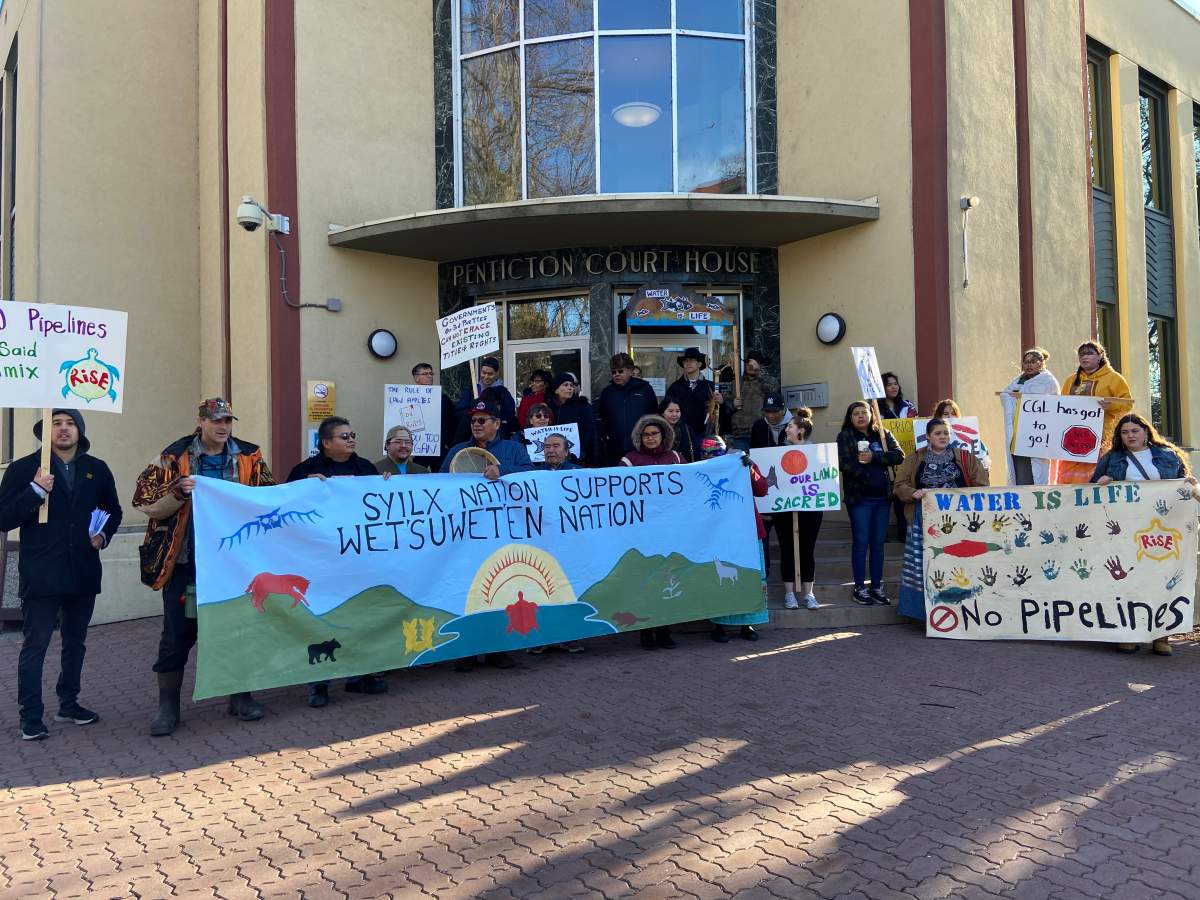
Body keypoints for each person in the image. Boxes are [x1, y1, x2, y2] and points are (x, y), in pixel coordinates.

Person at [133, 398, 274, 736]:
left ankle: (240, 696)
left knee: (238, 630)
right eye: (216, 421)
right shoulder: (171, 458)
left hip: (233, 564)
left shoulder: (250, 457)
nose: (223, 427)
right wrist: (177, 492)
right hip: (184, 561)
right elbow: (143, 501)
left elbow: (269, 496)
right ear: (201, 422)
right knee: (177, 635)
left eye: (227, 421)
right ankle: (168, 707)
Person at [0, 410, 122, 741]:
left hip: (82, 568)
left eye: (70, 424)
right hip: (42, 571)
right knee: (36, 643)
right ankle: (31, 716)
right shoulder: (25, 469)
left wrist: (103, 535)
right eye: (57, 423)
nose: (63, 429)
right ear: (46, 430)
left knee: (75, 642)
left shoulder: (96, 469)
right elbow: (3, 517)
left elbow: (112, 510)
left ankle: (68, 703)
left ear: (80, 431)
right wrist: (35, 492)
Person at [288, 417, 390, 706]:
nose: (351, 440)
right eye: (344, 436)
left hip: (360, 560)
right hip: (322, 562)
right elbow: (285, 507)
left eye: (352, 434)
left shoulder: (366, 468)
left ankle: (361, 676)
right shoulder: (305, 471)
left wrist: (386, 487)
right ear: (326, 442)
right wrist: (301, 488)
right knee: (323, 620)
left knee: (363, 618)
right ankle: (319, 684)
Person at [1091, 412, 1197, 656]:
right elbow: (1090, 489)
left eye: (1134, 431)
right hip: (1125, 529)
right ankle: (1130, 632)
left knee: (1162, 578)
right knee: (1128, 578)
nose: (1130, 436)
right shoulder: (1112, 458)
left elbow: (1182, 484)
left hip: (1164, 529)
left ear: (1146, 432)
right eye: (1125, 432)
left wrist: (1188, 484)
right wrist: (1102, 481)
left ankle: (1161, 635)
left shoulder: (1168, 456)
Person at [442, 399, 532, 672]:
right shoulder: (458, 451)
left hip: (503, 534)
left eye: (483, 420)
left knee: (501, 590)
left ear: (497, 423)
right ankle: (467, 650)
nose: (477, 424)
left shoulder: (514, 450)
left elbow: (531, 476)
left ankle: (498, 650)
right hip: (468, 537)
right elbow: (440, 483)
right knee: (468, 590)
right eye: (473, 420)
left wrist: (503, 471)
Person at [893, 418, 989, 621]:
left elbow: (982, 484)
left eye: (946, 433)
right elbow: (899, 485)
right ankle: (923, 614)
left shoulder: (964, 457)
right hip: (923, 521)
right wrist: (914, 493)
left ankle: (963, 612)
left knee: (958, 564)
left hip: (960, 523)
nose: (943, 437)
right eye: (938, 433)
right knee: (923, 566)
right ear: (928, 436)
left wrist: (963, 495)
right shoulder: (914, 458)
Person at [621, 414, 683, 649]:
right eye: (645, 434)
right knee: (645, 581)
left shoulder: (676, 458)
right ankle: (645, 631)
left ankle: (665, 630)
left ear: (664, 434)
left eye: (654, 433)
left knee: (668, 578)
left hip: (670, 531)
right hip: (643, 533)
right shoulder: (629, 461)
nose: (650, 438)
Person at [837, 401, 903, 605]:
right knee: (861, 543)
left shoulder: (882, 434)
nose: (860, 416)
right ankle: (859, 587)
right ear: (850, 417)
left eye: (864, 412)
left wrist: (874, 457)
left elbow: (899, 455)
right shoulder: (845, 436)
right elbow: (843, 463)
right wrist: (863, 471)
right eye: (855, 413)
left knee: (878, 545)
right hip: (859, 499)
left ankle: (876, 586)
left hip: (882, 498)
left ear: (871, 414)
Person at [707, 437, 771, 642]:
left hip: (747, 530)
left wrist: (749, 468)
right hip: (719, 532)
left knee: (749, 577)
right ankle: (719, 625)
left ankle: (747, 623)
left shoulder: (743, 464)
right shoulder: (704, 469)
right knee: (720, 582)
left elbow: (762, 489)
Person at [770, 410, 824, 611]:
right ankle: (789, 594)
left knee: (807, 549)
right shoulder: (777, 452)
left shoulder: (817, 453)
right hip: (784, 509)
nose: (786, 429)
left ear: (801, 430)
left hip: (810, 508)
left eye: (790, 426)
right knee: (787, 548)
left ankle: (809, 593)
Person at [1057, 340, 1133, 484]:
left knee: (1096, 478)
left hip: (1102, 438)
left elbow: (1127, 404)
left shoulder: (1114, 378)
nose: (1084, 357)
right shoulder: (1071, 380)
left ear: (1100, 356)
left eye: (1089, 354)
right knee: (1069, 479)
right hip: (1072, 438)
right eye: (1081, 354)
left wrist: (1110, 405)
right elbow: (1061, 406)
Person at [997, 347, 1060, 485]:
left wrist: (1023, 397)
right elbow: (1005, 395)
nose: (1029, 365)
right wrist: (1011, 398)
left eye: (1033, 361)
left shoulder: (1048, 381)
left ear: (1041, 363)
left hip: (1039, 434)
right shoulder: (1016, 381)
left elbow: (1053, 405)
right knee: (1021, 472)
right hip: (1020, 434)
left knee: (1039, 472)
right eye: (1026, 362)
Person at [596, 353, 659, 465]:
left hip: (641, 447)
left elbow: (654, 416)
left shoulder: (645, 389)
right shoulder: (607, 392)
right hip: (614, 448)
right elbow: (601, 417)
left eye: (620, 371)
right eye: (613, 372)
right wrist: (605, 438)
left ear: (630, 370)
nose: (616, 375)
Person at [666, 347, 725, 461]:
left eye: (692, 360)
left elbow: (720, 415)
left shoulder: (710, 387)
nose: (688, 363)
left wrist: (722, 403)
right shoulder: (675, 387)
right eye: (685, 361)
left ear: (699, 364)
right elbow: (667, 410)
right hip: (682, 437)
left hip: (706, 436)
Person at [411, 362, 459, 471]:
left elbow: (453, 422)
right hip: (420, 448)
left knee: (441, 476)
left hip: (440, 447)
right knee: (417, 475)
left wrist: (449, 442)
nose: (429, 376)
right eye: (425, 374)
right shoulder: (409, 398)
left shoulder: (443, 398)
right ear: (416, 378)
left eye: (431, 373)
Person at [730, 351, 779, 452]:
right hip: (740, 434)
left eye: (753, 363)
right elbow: (725, 406)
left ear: (760, 365)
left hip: (760, 431)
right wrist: (732, 404)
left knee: (761, 464)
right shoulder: (736, 383)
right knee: (741, 465)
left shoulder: (766, 381)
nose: (750, 366)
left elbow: (774, 390)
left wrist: (758, 371)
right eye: (748, 363)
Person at [546, 372, 598, 466]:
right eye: (566, 385)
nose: (570, 388)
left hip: (576, 458)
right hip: (552, 457)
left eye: (571, 385)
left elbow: (589, 432)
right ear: (556, 390)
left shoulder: (582, 406)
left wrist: (581, 451)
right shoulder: (548, 407)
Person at [658, 398, 696, 463]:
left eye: (677, 411)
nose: (674, 415)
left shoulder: (686, 429)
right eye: (670, 411)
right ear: (662, 413)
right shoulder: (656, 429)